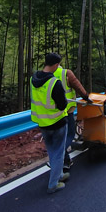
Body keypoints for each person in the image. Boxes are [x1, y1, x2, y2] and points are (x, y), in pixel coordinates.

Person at [30, 52, 73, 193]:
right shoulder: (54, 82)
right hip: (57, 122)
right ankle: (53, 184)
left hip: (43, 123)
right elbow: (62, 105)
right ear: (55, 65)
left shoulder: (33, 79)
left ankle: (59, 175)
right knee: (59, 153)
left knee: (52, 152)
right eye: (58, 64)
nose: (58, 67)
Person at [46, 52, 90, 170]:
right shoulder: (66, 73)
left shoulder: (44, 74)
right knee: (69, 134)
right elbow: (78, 87)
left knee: (58, 138)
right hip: (66, 111)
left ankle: (65, 161)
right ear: (58, 64)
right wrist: (86, 97)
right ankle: (58, 158)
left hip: (50, 113)